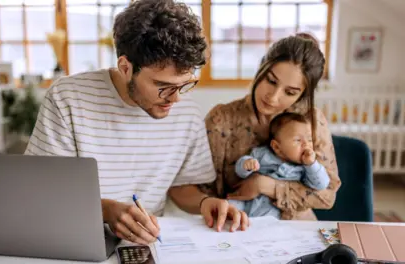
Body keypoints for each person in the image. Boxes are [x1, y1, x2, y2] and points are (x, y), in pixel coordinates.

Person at [24, 0, 249, 246]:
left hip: (146, 245)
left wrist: (205, 203)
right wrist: (106, 211)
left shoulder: (187, 111)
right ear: (125, 67)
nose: (175, 99)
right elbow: (42, 191)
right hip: (76, 239)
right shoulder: (68, 97)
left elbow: (181, 188)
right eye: (163, 87)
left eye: (184, 84)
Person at [200, 33, 341, 220]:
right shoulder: (221, 119)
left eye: (290, 92)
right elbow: (204, 191)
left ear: (302, 94)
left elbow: (327, 195)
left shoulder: (312, 121)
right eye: (271, 81)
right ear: (261, 68)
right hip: (234, 225)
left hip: (296, 228)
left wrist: (265, 185)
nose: (273, 97)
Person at [230, 112, 331, 218]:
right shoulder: (262, 154)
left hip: (273, 207)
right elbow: (240, 173)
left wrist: (311, 164)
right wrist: (246, 164)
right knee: (230, 206)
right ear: (277, 147)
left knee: (268, 222)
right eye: (298, 140)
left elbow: (321, 184)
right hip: (247, 201)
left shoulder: (305, 168)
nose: (306, 144)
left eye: (310, 140)